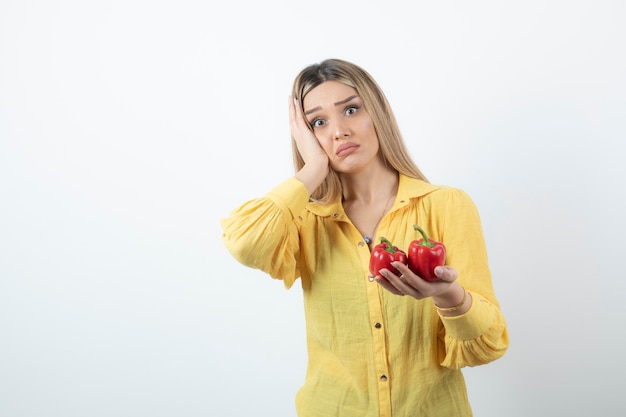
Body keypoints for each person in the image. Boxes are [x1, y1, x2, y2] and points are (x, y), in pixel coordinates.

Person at [220, 58, 509, 417]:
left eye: (351, 110)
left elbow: (487, 346)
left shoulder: (446, 205)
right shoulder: (305, 220)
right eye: (318, 123)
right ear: (305, 137)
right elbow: (244, 242)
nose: (338, 131)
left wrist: (448, 295)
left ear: (378, 114)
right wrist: (312, 169)